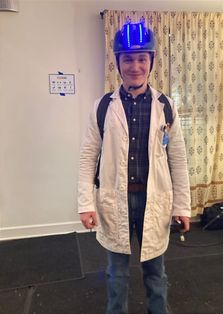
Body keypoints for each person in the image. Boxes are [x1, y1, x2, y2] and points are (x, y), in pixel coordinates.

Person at [78, 21, 191, 314]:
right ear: (117, 62)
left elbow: (177, 159)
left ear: (151, 61)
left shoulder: (166, 106)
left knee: (156, 273)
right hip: (116, 200)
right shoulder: (102, 107)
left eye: (142, 58)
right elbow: (88, 156)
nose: (135, 66)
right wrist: (85, 203)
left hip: (154, 200)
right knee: (117, 274)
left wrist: (182, 207)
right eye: (127, 59)